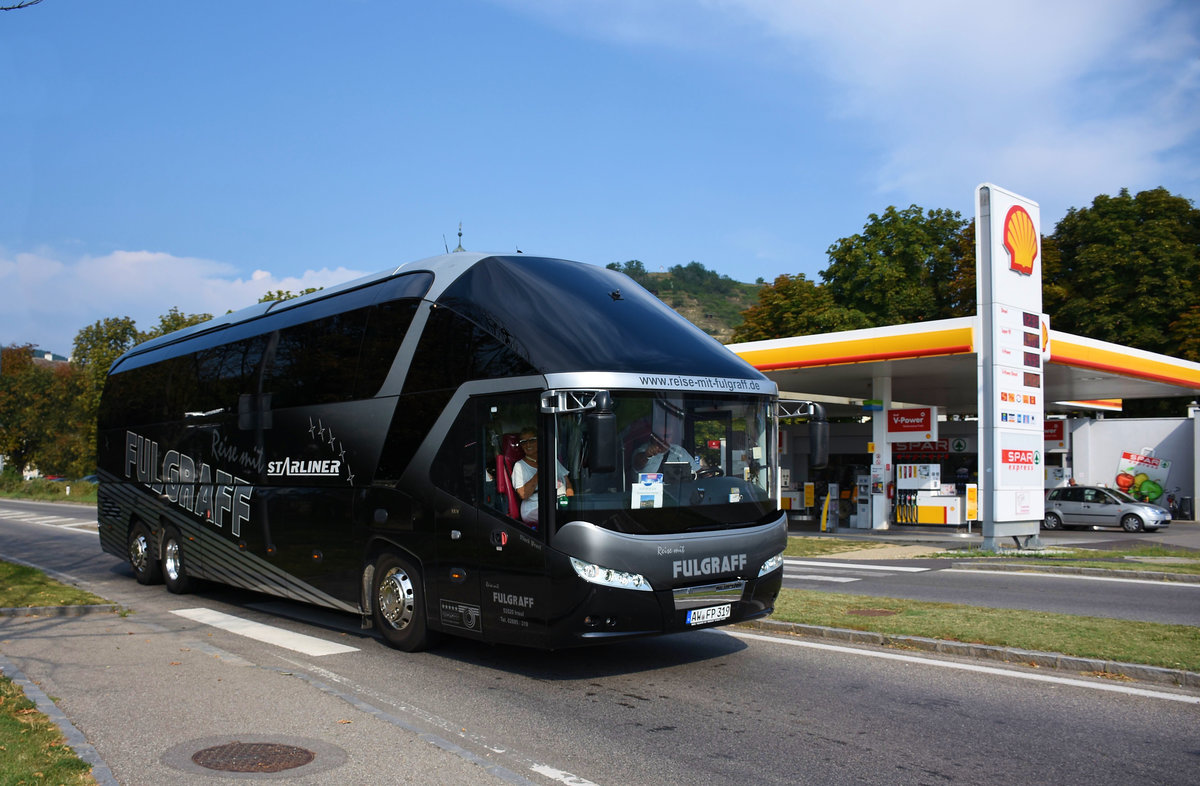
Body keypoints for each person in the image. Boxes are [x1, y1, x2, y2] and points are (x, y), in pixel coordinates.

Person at [510, 428, 571, 525]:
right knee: (556, 515)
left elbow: (568, 484)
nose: (528, 445)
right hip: (534, 507)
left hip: (559, 502)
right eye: (524, 442)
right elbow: (523, 494)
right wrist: (540, 472)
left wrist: (570, 502)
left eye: (532, 440)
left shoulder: (551, 459)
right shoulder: (519, 466)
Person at [632, 432, 698, 474]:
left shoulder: (679, 451)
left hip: (676, 493)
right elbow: (637, 464)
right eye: (660, 436)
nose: (663, 439)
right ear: (654, 437)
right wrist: (646, 456)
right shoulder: (643, 450)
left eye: (667, 436)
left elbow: (697, 471)